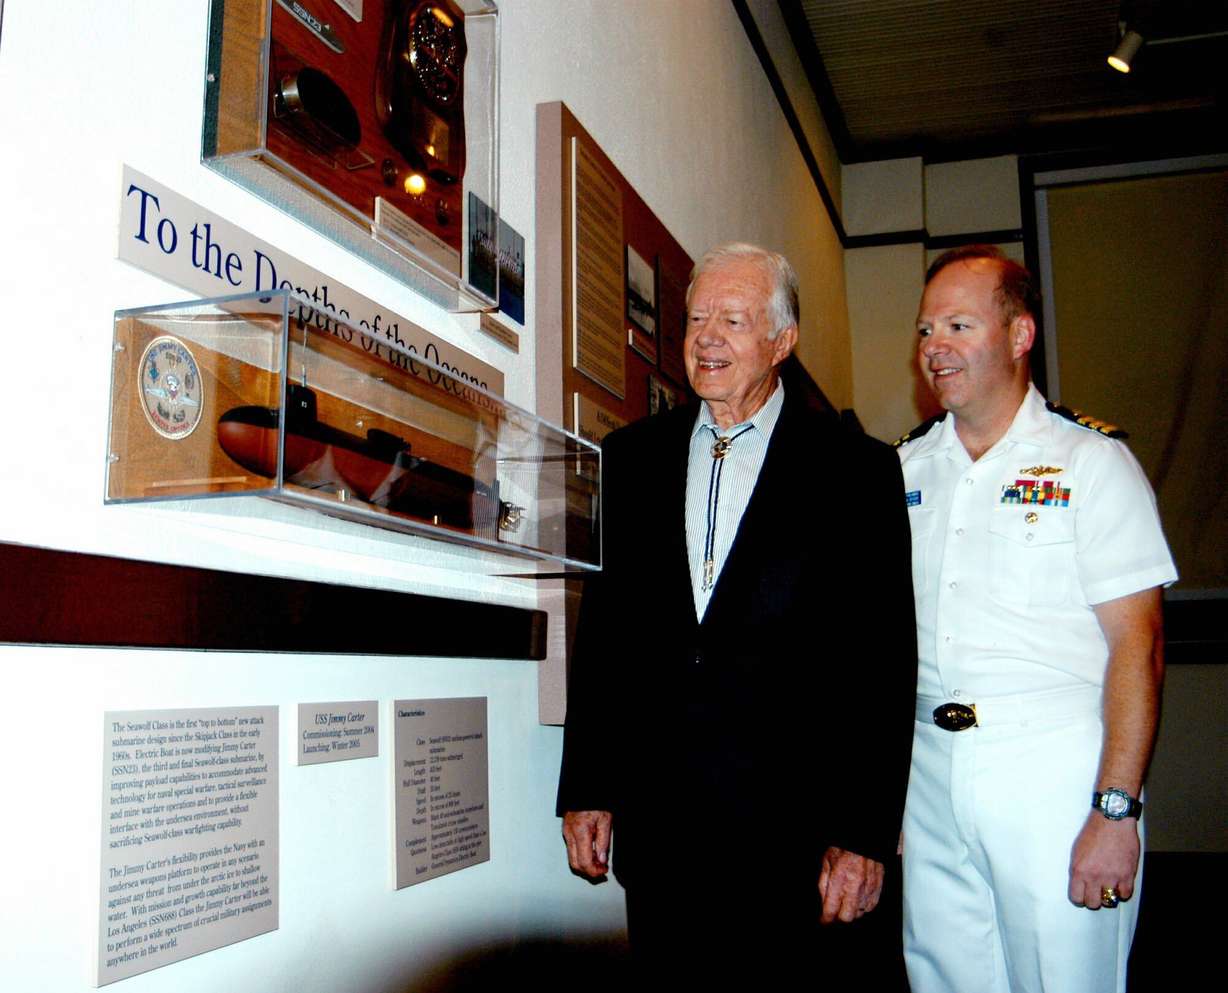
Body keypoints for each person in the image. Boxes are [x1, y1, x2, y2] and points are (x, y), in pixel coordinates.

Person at [556, 242, 917, 984]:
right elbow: (605, 636)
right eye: (694, 320)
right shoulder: (630, 458)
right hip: (663, 841)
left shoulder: (855, 471)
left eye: (733, 319)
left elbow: (883, 664)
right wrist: (588, 785)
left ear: (783, 342)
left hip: (796, 846)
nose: (706, 337)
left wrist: (863, 833)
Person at [897, 246, 1177, 993]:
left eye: (959, 324)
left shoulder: (1091, 462)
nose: (936, 348)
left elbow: (1137, 646)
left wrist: (1115, 809)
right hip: (928, 770)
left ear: (1020, 335)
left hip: (1051, 766)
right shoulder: (904, 472)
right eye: (926, 330)